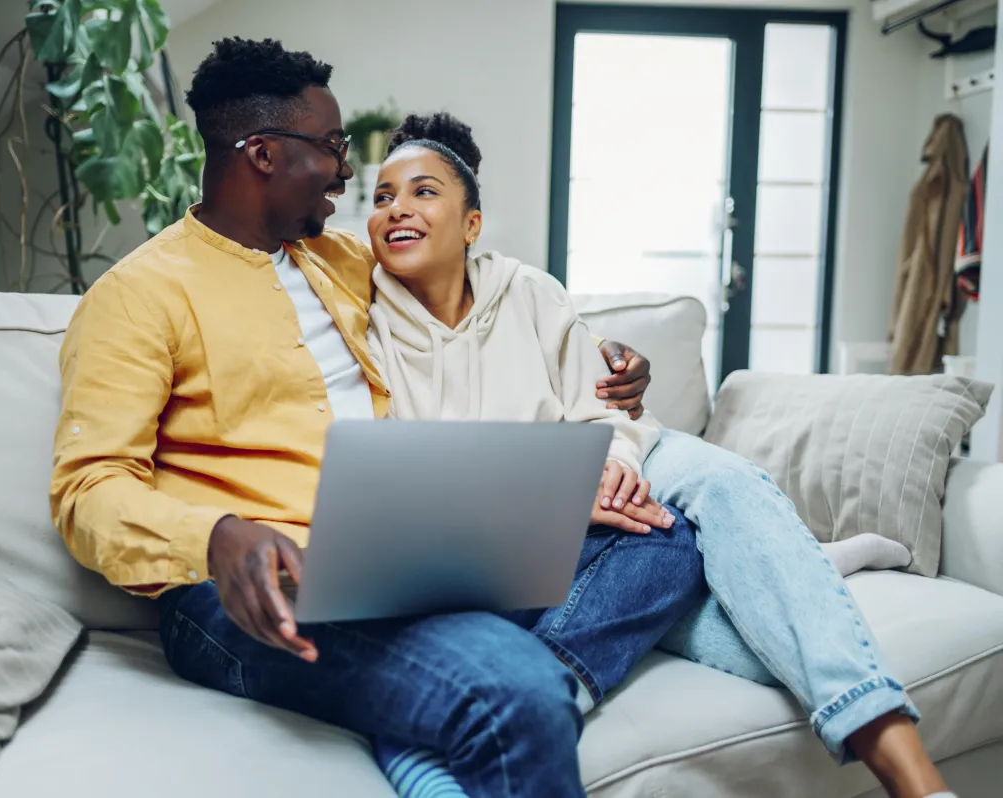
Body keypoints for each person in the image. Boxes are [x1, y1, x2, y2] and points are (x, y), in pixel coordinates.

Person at [50, 38, 706, 798]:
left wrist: (608, 360)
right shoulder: (139, 295)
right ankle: (505, 692)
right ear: (262, 153)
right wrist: (216, 536)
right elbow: (86, 490)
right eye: (330, 146)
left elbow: (477, 289)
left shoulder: (340, 262)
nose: (349, 171)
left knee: (668, 541)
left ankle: (448, 704)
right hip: (250, 591)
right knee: (515, 688)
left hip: (406, 556)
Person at [360, 111, 953, 798]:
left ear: (472, 224)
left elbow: (602, 407)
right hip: (516, 524)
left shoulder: (528, 291)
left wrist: (611, 464)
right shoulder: (360, 323)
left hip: (608, 466)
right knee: (686, 561)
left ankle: (911, 772)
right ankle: (793, 561)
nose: (397, 207)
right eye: (382, 196)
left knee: (712, 499)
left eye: (423, 191)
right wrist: (557, 496)